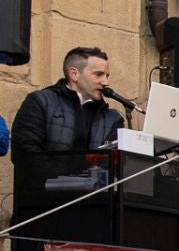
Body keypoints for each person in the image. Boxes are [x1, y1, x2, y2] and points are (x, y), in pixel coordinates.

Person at [10, 45, 123, 184]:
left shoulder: (112, 118)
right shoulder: (40, 102)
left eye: (107, 76)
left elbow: (115, 165)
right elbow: (25, 154)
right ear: (74, 74)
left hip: (96, 195)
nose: (106, 82)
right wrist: (69, 179)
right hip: (44, 194)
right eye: (98, 74)